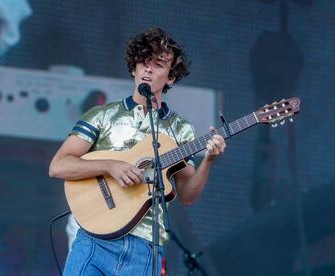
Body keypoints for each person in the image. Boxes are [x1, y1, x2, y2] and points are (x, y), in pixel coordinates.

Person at [49, 27, 226, 276]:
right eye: (143, 62)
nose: (148, 69)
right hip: (93, 239)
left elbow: (187, 196)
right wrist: (110, 165)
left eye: (159, 64)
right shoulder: (103, 115)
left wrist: (209, 160)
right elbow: (58, 166)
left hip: (146, 248)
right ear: (134, 68)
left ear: (171, 77)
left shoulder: (180, 129)